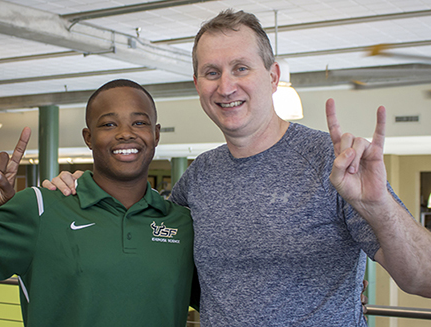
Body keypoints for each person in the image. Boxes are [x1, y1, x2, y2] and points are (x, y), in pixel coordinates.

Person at [44, 9, 431, 326]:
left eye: (241, 68)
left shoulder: (331, 162)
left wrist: (379, 206)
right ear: (197, 83)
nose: (226, 87)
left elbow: (423, 279)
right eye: (212, 73)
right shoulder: (198, 177)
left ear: (274, 76)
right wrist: (84, 186)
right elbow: (137, 230)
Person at [0, 79, 196, 326]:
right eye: (108, 124)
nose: (125, 133)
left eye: (139, 122)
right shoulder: (38, 207)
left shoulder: (183, 223)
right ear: (88, 137)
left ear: (156, 133)